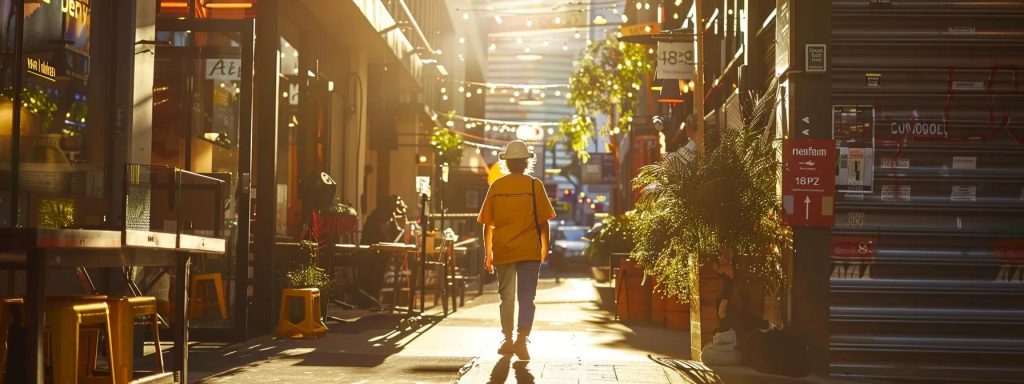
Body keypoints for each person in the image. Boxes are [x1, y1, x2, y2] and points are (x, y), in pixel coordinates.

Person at [477, 140, 556, 360]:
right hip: (529, 250)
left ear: (507, 163)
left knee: (507, 298)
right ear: (526, 162)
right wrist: (545, 248)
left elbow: (488, 225)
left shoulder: (497, 186)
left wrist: (488, 254)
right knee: (527, 297)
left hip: (503, 250)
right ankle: (522, 340)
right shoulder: (534, 185)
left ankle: (508, 339)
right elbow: (543, 222)